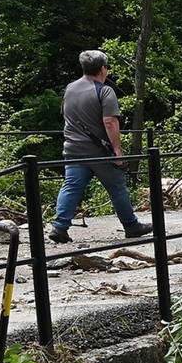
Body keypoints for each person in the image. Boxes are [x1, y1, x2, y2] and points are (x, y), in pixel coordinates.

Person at [51, 50, 144, 244]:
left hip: (73, 149)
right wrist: (117, 151)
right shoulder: (104, 90)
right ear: (103, 69)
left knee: (71, 187)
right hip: (98, 152)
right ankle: (131, 226)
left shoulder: (70, 88)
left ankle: (59, 227)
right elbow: (109, 121)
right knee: (117, 187)